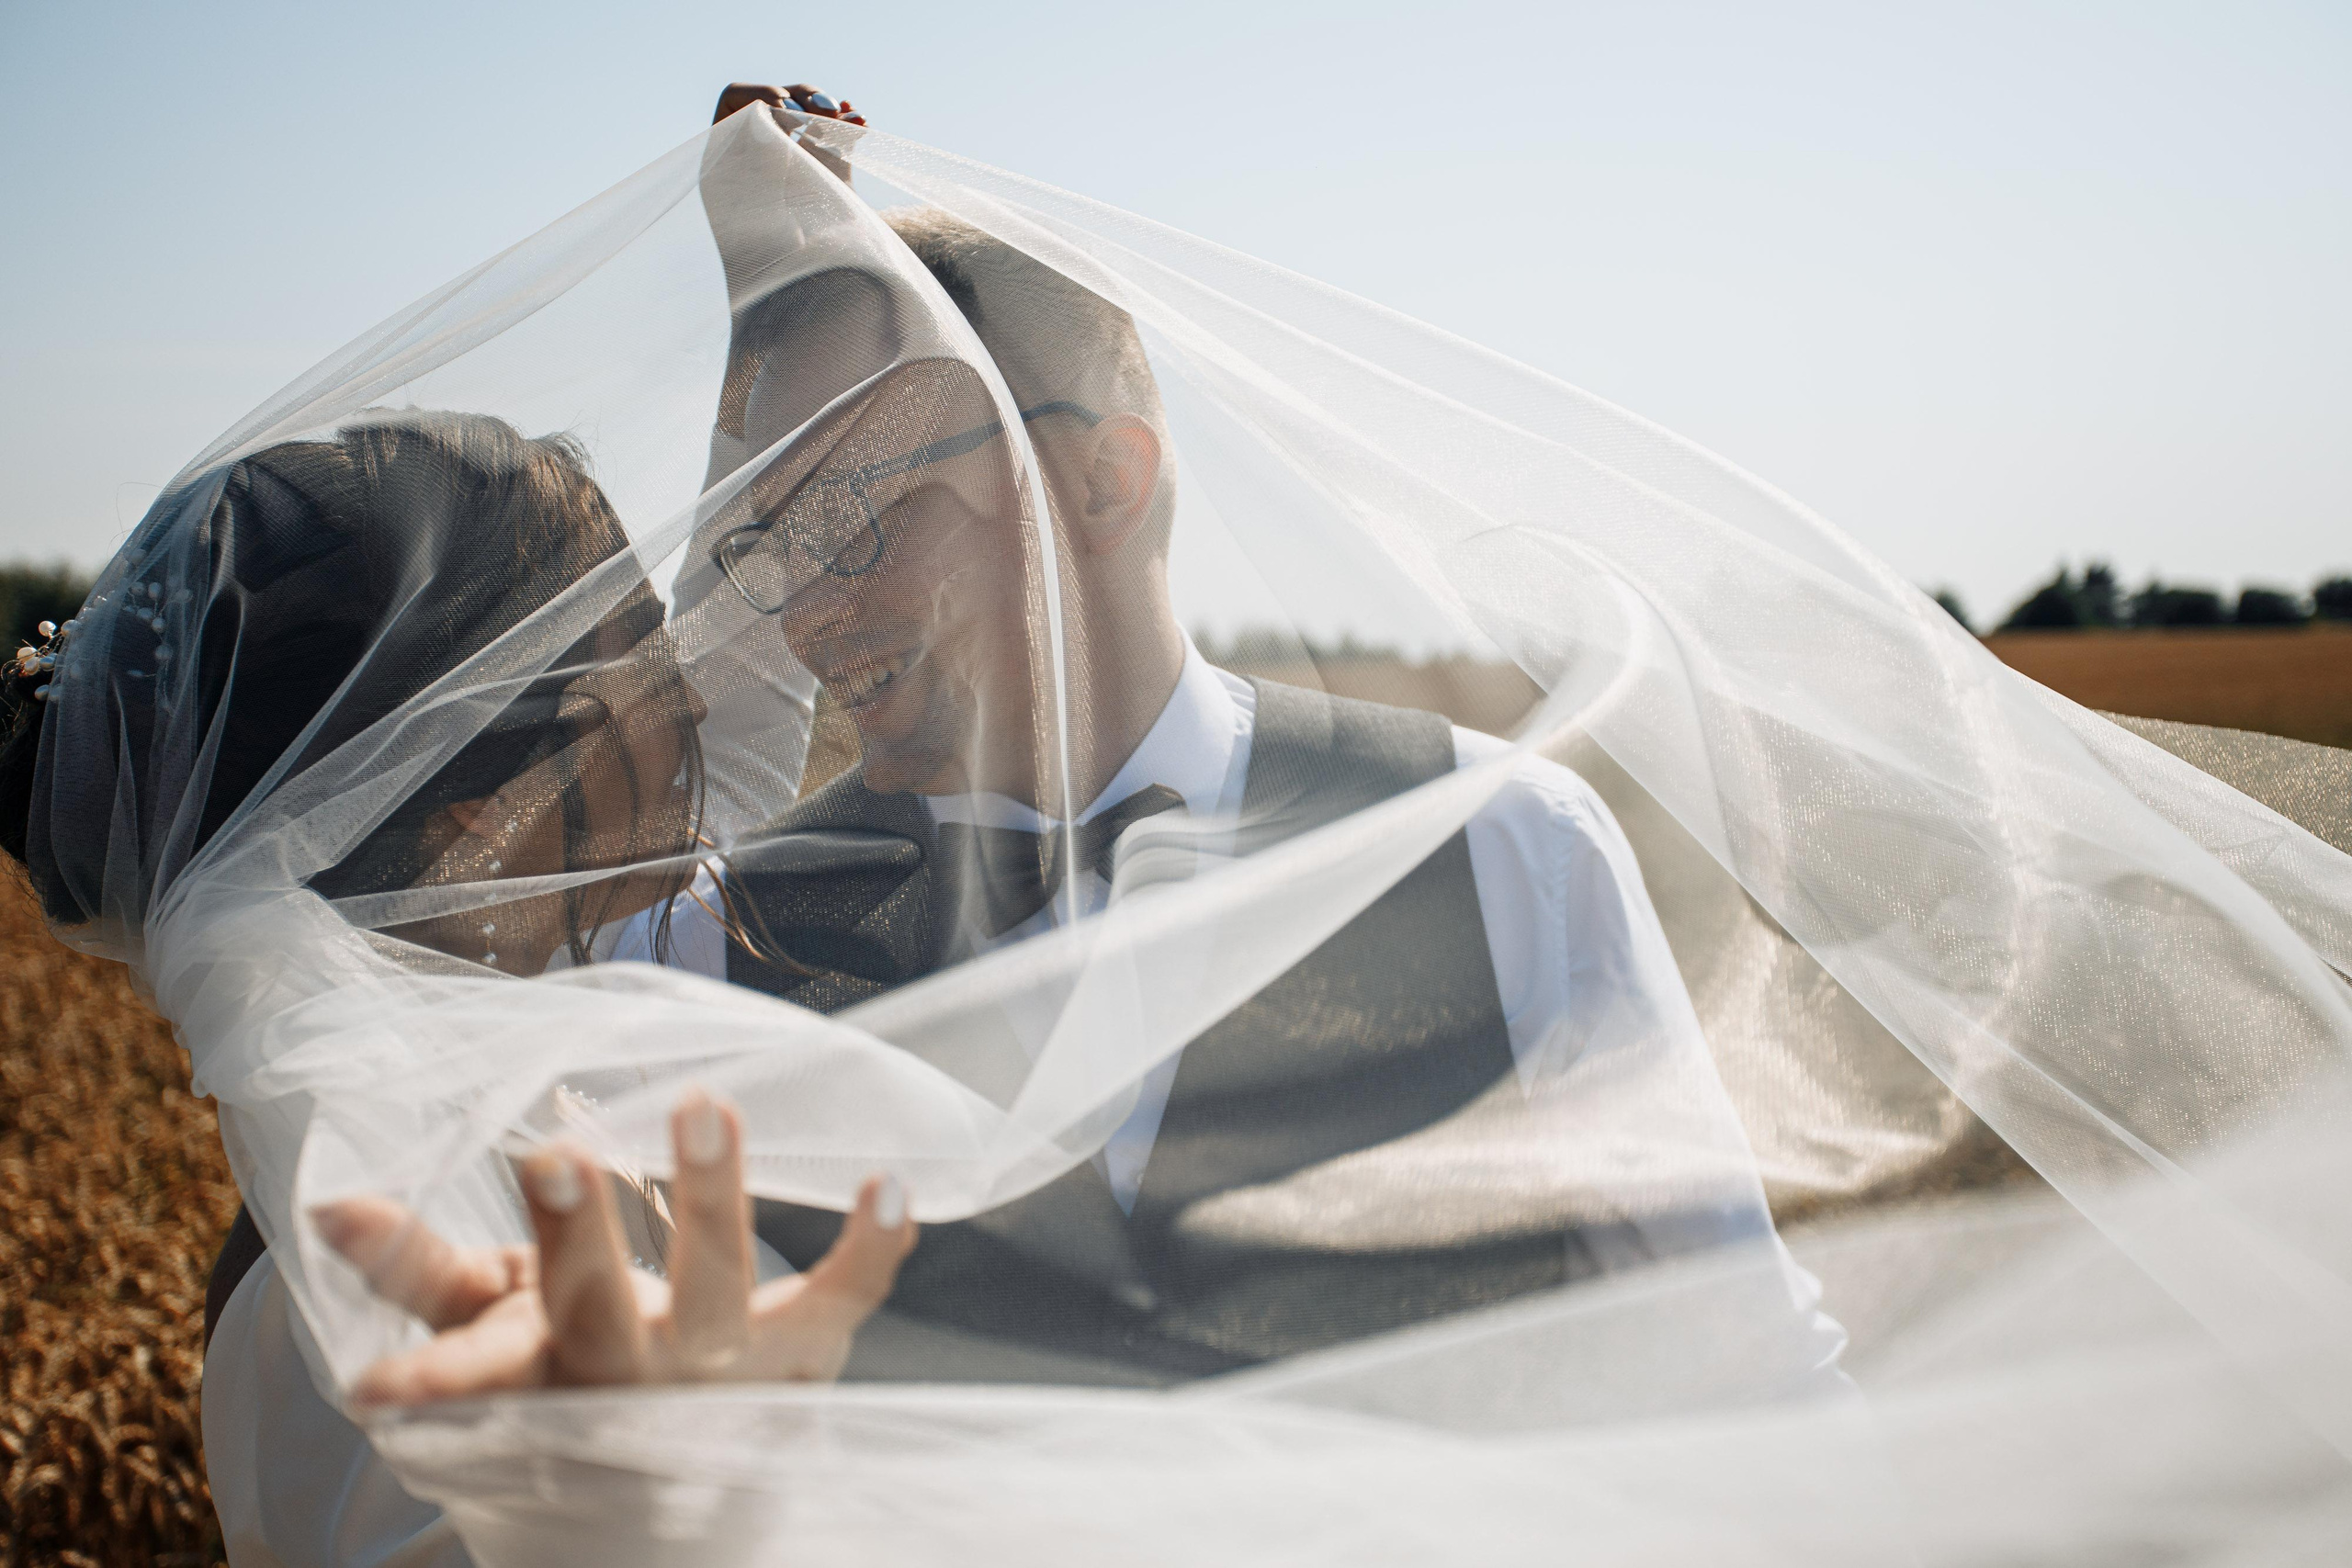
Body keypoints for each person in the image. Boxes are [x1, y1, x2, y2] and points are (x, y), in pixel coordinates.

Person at [643, 85, 1847, 1386]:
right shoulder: (723, 942)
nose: (812, 616)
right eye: (776, 539)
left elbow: (1757, 1376)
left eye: (858, 517)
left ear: (1104, 480)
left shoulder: (1496, 844)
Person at [0, 410, 915, 1564]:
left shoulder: (487, 1064)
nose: (688, 697)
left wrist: (784, 350)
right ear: (487, 812)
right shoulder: (359, 1289)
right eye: (643, 656)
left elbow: (736, 748)